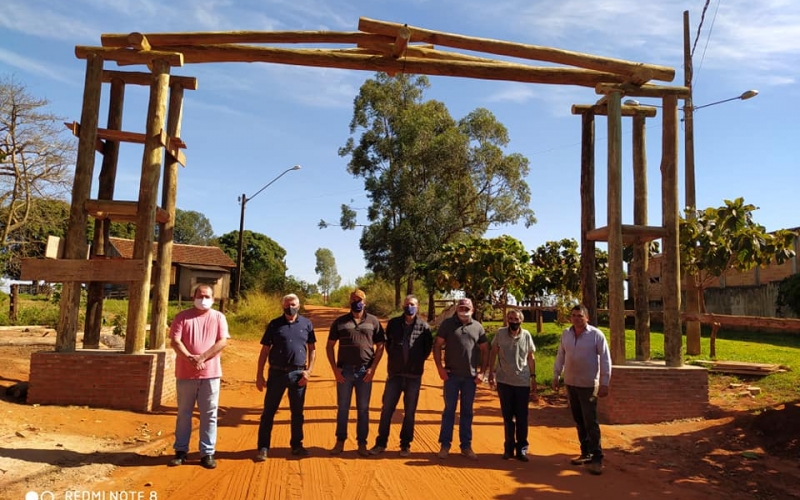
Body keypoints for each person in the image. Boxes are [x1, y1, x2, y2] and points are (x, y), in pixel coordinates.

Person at [168, 284, 230, 470]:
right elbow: (175, 341)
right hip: (186, 374)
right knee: (184, 414)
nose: (203, 299)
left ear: (213, 298)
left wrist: (202, 357)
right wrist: (190, 358)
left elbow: (223, 341)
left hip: (210, 374)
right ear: (193, 296)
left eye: (207, 296)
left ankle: (207, 452)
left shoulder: (219, 317)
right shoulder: (182, 317)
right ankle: (180, 451)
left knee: (209, 414)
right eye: (200, 295)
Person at [254, 293, 316, 461]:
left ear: (299, 304)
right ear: (282, 306)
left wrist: (309, 371)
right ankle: (263, 447)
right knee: (269, 412)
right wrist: (259, 375)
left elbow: (312, 349)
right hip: (276, 373)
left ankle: (297, 445)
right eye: (287, 305)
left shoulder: (306, 324)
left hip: (298, 374)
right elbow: (264, 351)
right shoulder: (274, 325)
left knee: (297, 412)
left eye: (294, 304)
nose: (291, 307)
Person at [369, 295, 433, 457]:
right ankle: (380, 443)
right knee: (387, 410)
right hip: (395, 375)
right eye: (406, 304)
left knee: (410, 412)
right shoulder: (393, 324)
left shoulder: (424, 327)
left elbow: (427, 350)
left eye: (412, 304)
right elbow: (388, 345)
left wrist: (415, 362)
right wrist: (397, 361)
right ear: (403, 306)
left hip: (414, 376)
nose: (409, 307)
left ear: (417, 307)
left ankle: (405, 445)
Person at [552, 304, 612, 475]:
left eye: (580, 315)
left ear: (587, 318)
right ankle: (585, 453)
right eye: (574, 315)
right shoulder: (566, 333)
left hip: (588, 385)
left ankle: (597, 458)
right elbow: (561, 355)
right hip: (571, 383)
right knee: (579, 420)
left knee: (591, 421)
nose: (576, 318)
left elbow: (606, 359)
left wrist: (605, 382)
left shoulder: (596, 335)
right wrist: (556, 375)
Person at [327, 289, 386, 456]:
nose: (356, 302)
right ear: (349, 302)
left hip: (364, 372)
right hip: (344, 372)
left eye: (359, 299)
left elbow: (381, 345)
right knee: (343, 408)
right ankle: (340, 442)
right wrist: (335, 370)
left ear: (364, 302)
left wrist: (373, 369)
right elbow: (329, 346)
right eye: (353, 299)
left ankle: (362, 443)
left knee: (363, 409)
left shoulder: (373, 321)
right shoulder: (340, 322)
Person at [433, 297, 489, 460]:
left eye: (467, 307)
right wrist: (439, 368)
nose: (464, 310)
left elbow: (485, 349)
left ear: (472, 309)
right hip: (451, 376)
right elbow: (437, 345)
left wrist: (482, 372)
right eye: (461, 307)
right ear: (457, 308)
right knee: (449, 411)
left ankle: (466, 446)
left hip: (470, 378)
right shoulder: (448, 324)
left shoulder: (478, 327)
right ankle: (445, 445)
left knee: (467, 412)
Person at [487, 309, 537, 461]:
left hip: (522, 382)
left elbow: (531, 356)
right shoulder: (500, 334)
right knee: (508, 417)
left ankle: (522, 449)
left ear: (521, 320)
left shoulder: (526, 335)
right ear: (507, 320)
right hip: (504, 382)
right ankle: (508, 448)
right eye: (510, 318)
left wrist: (533, 377)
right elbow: (493, 352)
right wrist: (491, 373)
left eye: (516, 319)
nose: (513, 321)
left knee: (522, 418)